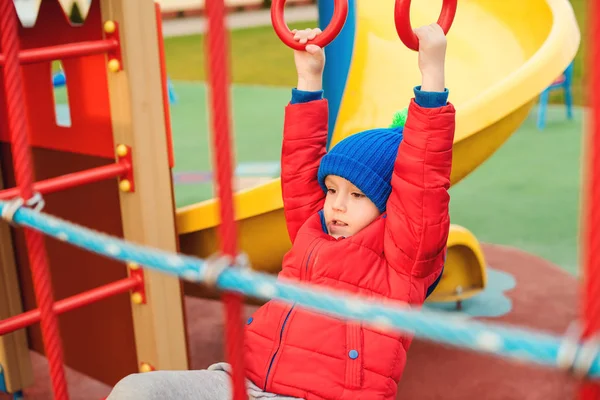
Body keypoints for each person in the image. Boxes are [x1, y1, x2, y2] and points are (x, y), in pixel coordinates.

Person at [107, 23, 455, 400]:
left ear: (391, 209)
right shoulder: (313, 230)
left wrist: (432, 76)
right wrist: (309, 77)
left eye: (357, 196)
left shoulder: (403, 261)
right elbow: (300, 168)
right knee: (138, 391)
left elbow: (422, 183)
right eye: (332, 190)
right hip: (246, 379)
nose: (336, 204)